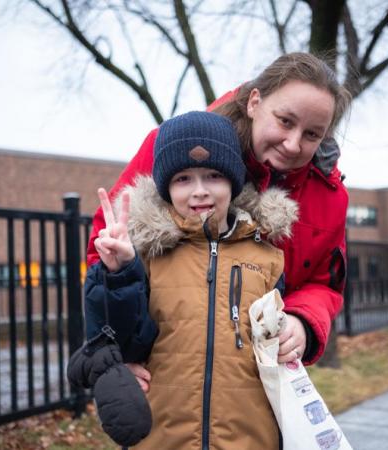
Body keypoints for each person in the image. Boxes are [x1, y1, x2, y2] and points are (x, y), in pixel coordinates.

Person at [85, 52, 352, 377]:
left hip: (257, 388)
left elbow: (324, 284)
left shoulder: (328, 196)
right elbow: (106, 258)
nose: (294, 144)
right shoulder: (176, 149)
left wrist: (302, 320)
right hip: (168, 378)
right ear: (255, 102)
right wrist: (122, 350)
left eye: (312, 134)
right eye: (285, 121)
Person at [86, 110, 298, 448]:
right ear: (167, 186)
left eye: (213, 175)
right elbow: (121, 340)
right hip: (162, 436)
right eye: (183, 178)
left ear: (233, 180)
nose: (199, 191)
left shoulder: (268, 257)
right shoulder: (147, 255)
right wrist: (120, 274)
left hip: (249, 438)